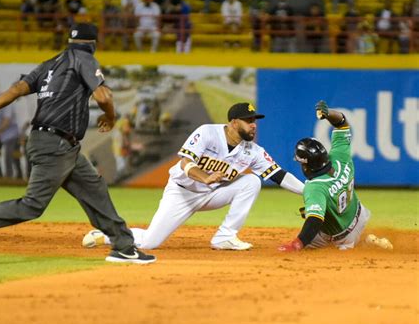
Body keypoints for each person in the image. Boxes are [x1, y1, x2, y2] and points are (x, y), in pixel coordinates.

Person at [0, 23, 156, 266]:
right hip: (55, 144)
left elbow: (17, 89)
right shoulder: (84, 58)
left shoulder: (50, 64)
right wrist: (110, 117)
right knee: (32, 205)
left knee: (94, 189)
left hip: (59, 144)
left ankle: (124, 246)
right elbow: (103, 95)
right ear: (93, 44)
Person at [83, 103, 305, 251]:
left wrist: (309, 192)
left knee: (252, 181)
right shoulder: (208, 132)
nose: (254, 124)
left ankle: (225, 236)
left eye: (255, 120)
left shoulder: (253, 151)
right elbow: (185, 162)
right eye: (249, 120)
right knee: (150, 242)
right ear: (234, 123)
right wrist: (204, 177)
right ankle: (107, 233)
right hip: (181, 192)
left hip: (212, 194)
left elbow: (279, 175)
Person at [278, 100, 371, 252]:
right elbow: (342, 122)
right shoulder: (341, 156)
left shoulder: (315, 187)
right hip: (361, 216)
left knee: (305, 240)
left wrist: (297, 244)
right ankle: (367, 239)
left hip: (343, 237)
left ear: (306, 165)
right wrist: (328, 114)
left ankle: (360, 244)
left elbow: (315, 220)